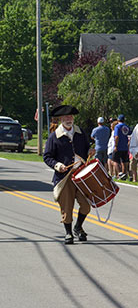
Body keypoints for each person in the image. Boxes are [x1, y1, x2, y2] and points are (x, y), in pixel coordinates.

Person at [43, 104, 95, 244]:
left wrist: (90, 151)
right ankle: (68, 233)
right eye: (66, 117)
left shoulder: (80, 132)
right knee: (67, 207)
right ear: (61, 119)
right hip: (64, 177)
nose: (69, 119)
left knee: (86, 205)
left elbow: (86, 148)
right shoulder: (54, 136)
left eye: (70, 116)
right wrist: (57, 165)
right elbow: (47, 157)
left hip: (81, 175)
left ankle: (78, 227)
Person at [113, 114, 131, 180]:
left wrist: (115, 145)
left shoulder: (117, 126)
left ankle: (120, 173)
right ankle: (124, 174)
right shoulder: (127, 127)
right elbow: (130, 135)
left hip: (119, 146)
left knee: (115, 160)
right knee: (125, 161)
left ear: (118, 120)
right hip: (125, 146)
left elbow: (116, 136)